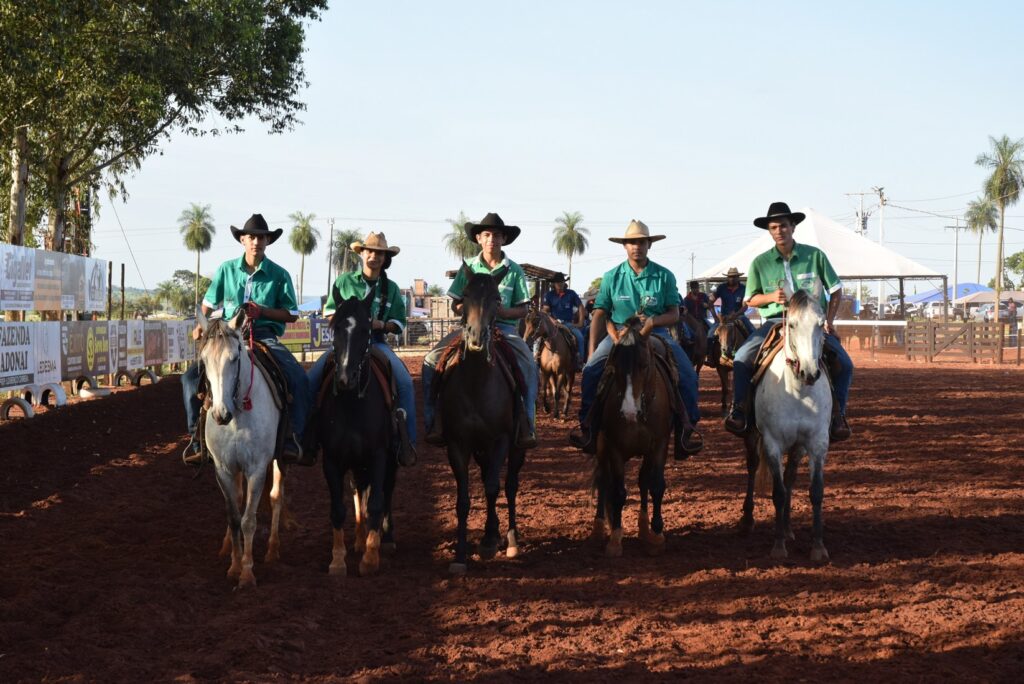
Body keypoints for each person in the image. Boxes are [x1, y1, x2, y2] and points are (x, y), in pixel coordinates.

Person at [182, 213, 312, 465]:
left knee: (298, 378)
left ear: (268, 241)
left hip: (264, 335)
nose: (257, 241)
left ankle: (292, 438)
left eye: (262, 237)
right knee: (189, 379)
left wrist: (261, 312)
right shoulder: (226, 270)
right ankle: (196, 440)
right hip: (228, 336)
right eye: (252, 237)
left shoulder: (279, 274)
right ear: (242, 240)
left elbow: (291, 314)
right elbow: (208, 303)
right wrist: (200, 326)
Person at [569, 219, 703, 459]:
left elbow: (674, 313)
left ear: (649, 245)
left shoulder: (664, 276)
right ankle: (587, 426)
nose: (636, 247)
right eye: (631, 242)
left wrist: (652, 322)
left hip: (656, 334)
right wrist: (592, 351)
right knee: (590, 371)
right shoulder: (612, 276)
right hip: (620, 333)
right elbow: (600, 313)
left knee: (688, 374)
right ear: (624, 246)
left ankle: (687, 429)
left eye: (641, 242)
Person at [723, 202, 853, 441]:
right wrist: (771, 297)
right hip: (774, 322)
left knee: (845, 364)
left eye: (783, 225)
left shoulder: (814, 256)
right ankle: (739, 410)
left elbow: (836, 290)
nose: (779, 231)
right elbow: (750, 300)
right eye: (773, 227)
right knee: (741, 358)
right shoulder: (760, 263)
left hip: (810, 325)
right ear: (769, 231)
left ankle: (838, 415)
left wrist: (829, 321)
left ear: (793, 227)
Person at [421, 212, 538, 448]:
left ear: (504, 239)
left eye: (496, 235)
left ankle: (527, 423)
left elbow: (524, 310)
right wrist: (469, 307)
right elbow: (455, 304)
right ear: (478, 238)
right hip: (469, 327)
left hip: (504, 329)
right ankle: (435, 419)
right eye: (486, 234)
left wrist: (502, 312)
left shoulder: (513, 270)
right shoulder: (468, 269)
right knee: (431, 360)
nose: (491, 239)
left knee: (528, 364)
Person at [305, 232, 417, 466]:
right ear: (362, 254)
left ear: (385, 258)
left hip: (376, 343)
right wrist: (348, 321)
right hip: (347, 344)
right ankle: (308, 437)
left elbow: (399, 323)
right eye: (369, 251)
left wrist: (380, 324)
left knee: (405, 382)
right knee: (311, 379)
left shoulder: (391, 288)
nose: (374, 256)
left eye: (379, 253)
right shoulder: (344, 282)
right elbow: (329, 312)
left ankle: (406, 442)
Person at [538, 273, 586, 367]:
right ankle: (537, 357)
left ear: (564, 283)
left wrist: (580, 322)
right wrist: (552, 320)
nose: (559, 285)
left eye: (561, 282)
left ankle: (579, 361)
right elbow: (545, 310)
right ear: (554, 284)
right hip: (552, 324)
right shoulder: (549, 295)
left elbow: (580, 306)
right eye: (557, 283)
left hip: (567, 324)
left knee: (580, 338)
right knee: (539, 337)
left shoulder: (571, 293)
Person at [711, 267, 755, 336]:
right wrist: (715, 316)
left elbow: (745, 306)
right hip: (724, 318)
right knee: (710, 334)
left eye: (734, 277)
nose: (732, 279)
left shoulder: (743, 289)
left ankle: (756, 343)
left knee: (753, 332)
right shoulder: (721, 288)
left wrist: (736, 314)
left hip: (739, 317)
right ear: (727, 277)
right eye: (730, 277)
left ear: (738, 277)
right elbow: (711, 302)